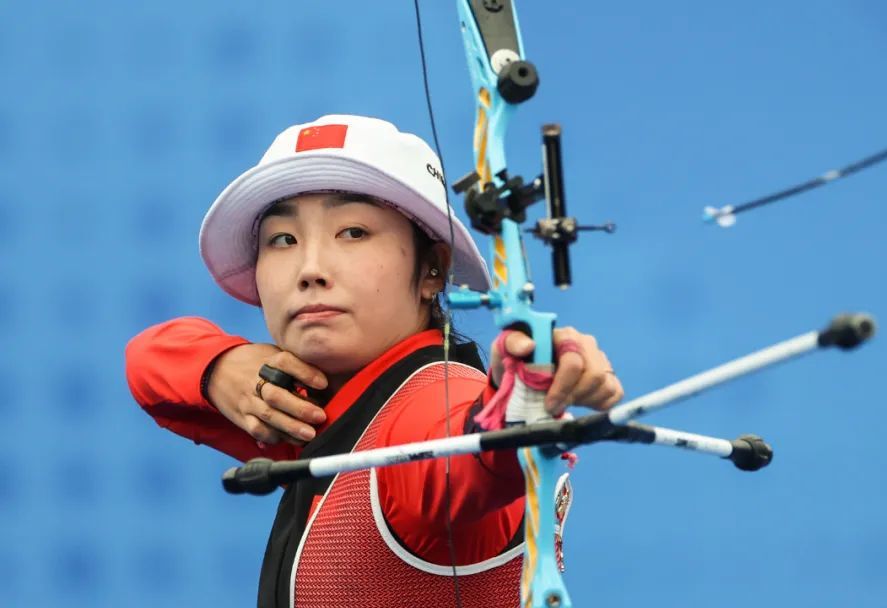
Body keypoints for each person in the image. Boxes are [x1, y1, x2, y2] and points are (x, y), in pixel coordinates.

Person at [125, 114, 623, 608]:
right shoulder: (312, 407)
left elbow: (467, 459)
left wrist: (525, 393)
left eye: (354, 232)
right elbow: (147, 360)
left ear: (433, 269)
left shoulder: (427, 408)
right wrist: (222, 367)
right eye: (283, 240)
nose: (311, 269)